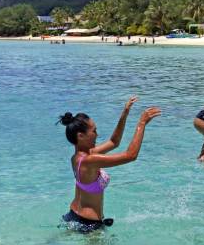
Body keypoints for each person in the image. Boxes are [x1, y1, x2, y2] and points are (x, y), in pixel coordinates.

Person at [58, 97, 161, 233]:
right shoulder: (90, 160)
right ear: (81, 136)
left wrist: (125, 114)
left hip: (73, 216)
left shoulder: (78, 158)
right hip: (88, 225)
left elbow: (114, 142)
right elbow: (131, 155)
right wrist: (141, 124)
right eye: (94, 131)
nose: (97, 134)